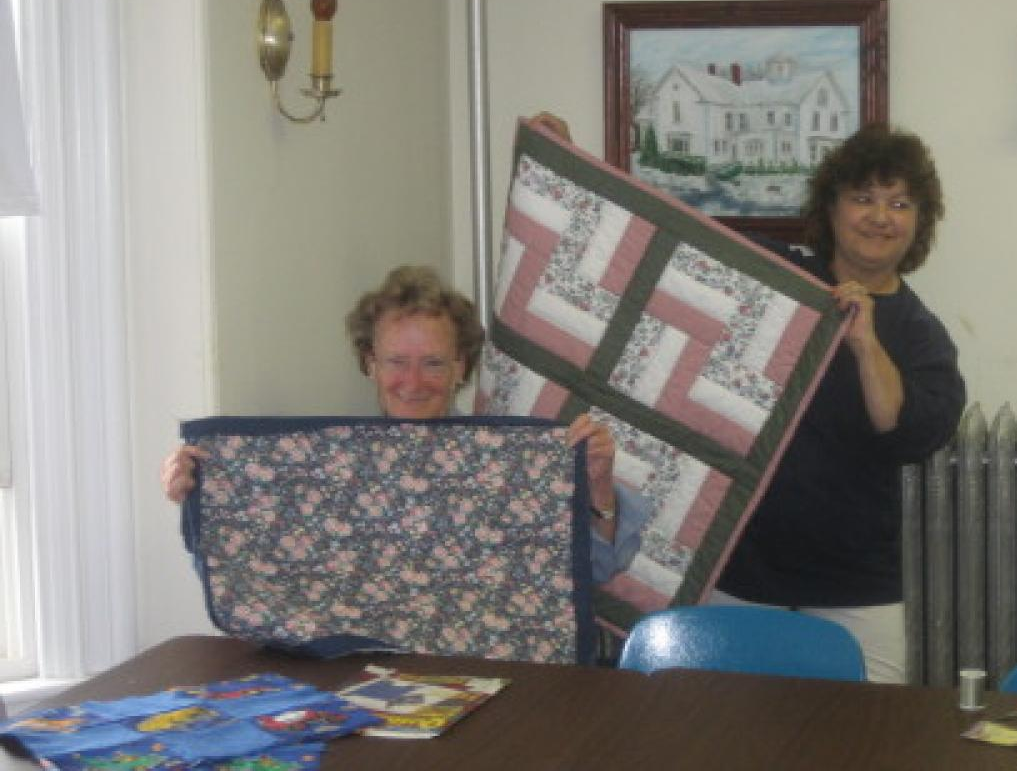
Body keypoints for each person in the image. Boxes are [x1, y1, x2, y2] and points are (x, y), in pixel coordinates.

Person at [161, 264, 650, 583]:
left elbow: (599, 569)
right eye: (396, 361)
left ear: (461, 366)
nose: (413, 382)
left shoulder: (513, 462)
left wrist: (598, 489)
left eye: (434, 363)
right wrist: (203, 496)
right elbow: (253, 567)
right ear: (369, 362)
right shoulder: (323, 467)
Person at [711, 124, 967, 683]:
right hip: (741, 570)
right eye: (863, 198)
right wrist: (567, 158)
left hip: (855, 584)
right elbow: (669, 242)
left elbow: (904, 432)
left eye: (899, 203)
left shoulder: (923, 337)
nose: (880, 216)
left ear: (918, 223)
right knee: (728, 740)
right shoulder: (777, 280)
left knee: (869, 745)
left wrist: (866, 342)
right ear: (832, 209)